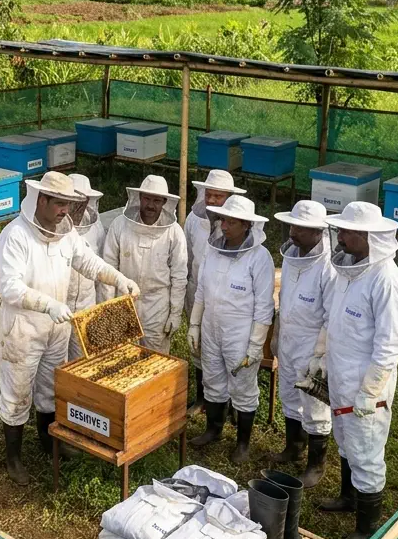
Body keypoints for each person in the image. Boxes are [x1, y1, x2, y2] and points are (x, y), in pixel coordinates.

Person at [0, 170, 140, 485]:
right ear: (41, 199)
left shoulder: (66, 233)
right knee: (17, 393)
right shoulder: (16, 235)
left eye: (67, 204)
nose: (64, 210)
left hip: (57, 328)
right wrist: (46, 304)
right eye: (59, 203)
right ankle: (14, 458)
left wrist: (118, 278)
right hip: (22, 329)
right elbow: (9, 288)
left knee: (50, 387)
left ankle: (48, 443)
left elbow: (88, 262)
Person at [318, 202, 398, 539]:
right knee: (345, 440)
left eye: (348, 232)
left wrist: (370, 391)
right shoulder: (349, 269)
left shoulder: (386, 280)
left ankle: (368, 528)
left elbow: (389, 345)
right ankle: (348, 497)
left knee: (366, 450)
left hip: (366, 385)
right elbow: (335, 320)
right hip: (342, 374)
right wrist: (322, 358)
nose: (341, 236)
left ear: (369, 237)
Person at [188, 194, 275, 463]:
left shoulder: (260, 259)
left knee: (243, 388)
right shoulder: (213, 249)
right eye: (222, 220)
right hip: (212, 329)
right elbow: (201, 290)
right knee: (212, 379)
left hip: (240, 335)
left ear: (247, 225)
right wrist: (194, 324)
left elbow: (264, 307)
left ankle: (243, 444)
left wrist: (255, 344)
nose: (223, 226)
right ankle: (213, 430)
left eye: (231, 222)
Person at [272, 200, 335, 487]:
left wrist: (320, 354)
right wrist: (276, 333)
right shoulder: (291, 256)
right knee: (288, 393)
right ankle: (293, 448)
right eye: (292, 224)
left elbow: (330, 316)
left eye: (300, 228)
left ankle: (316, 465)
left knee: (314, 404)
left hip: (312, 344)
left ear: (318, 233)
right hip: (288, 338)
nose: (293, 231)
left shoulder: (329, 267)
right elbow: (284, 297)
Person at [102, 174, 188, 354]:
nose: (150, 205)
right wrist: (108, 307)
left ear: (164, 202)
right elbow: (108, 269)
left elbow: (179, 276)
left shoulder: (174, 233)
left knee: (154, 359)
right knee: (122, 356)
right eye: (147, 198)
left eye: (157, 200)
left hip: (157, 304)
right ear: (139, 198)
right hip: (124, 300)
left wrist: (175, 313)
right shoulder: (119, 225)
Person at [184, 169, 246, 412]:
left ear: (228, 198)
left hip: (229, 300)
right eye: (209, 194)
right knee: (198, 346)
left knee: (228, 350)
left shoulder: (240, 227)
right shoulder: (193, 220)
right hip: (197, 291)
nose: (211, 200)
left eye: (218, 196)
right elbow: (187, 257)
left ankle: (230, 401)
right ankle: (202, 398)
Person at [65, 172, 107, 359]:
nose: (78, 208)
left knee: (83, 359)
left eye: (83, 202)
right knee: (55, 362)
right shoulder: (51, 228)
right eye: (74, 202)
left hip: (86, 304)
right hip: (58, 306)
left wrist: (100, 306)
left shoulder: (96, 228)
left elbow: (99, 266)